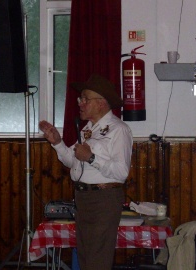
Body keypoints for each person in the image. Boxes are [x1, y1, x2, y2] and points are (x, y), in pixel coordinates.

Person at [39, 73, 133, 270]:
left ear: (101, 103)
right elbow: (73, 162)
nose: (80, 103)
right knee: (85, 257)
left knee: (97, 260)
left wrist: (91, 158)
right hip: (84, 199)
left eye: (85, 99)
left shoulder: (118, 130)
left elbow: (121, 172)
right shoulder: (88, 130)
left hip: (104, 199)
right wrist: (57, 142)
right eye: (80, 99)